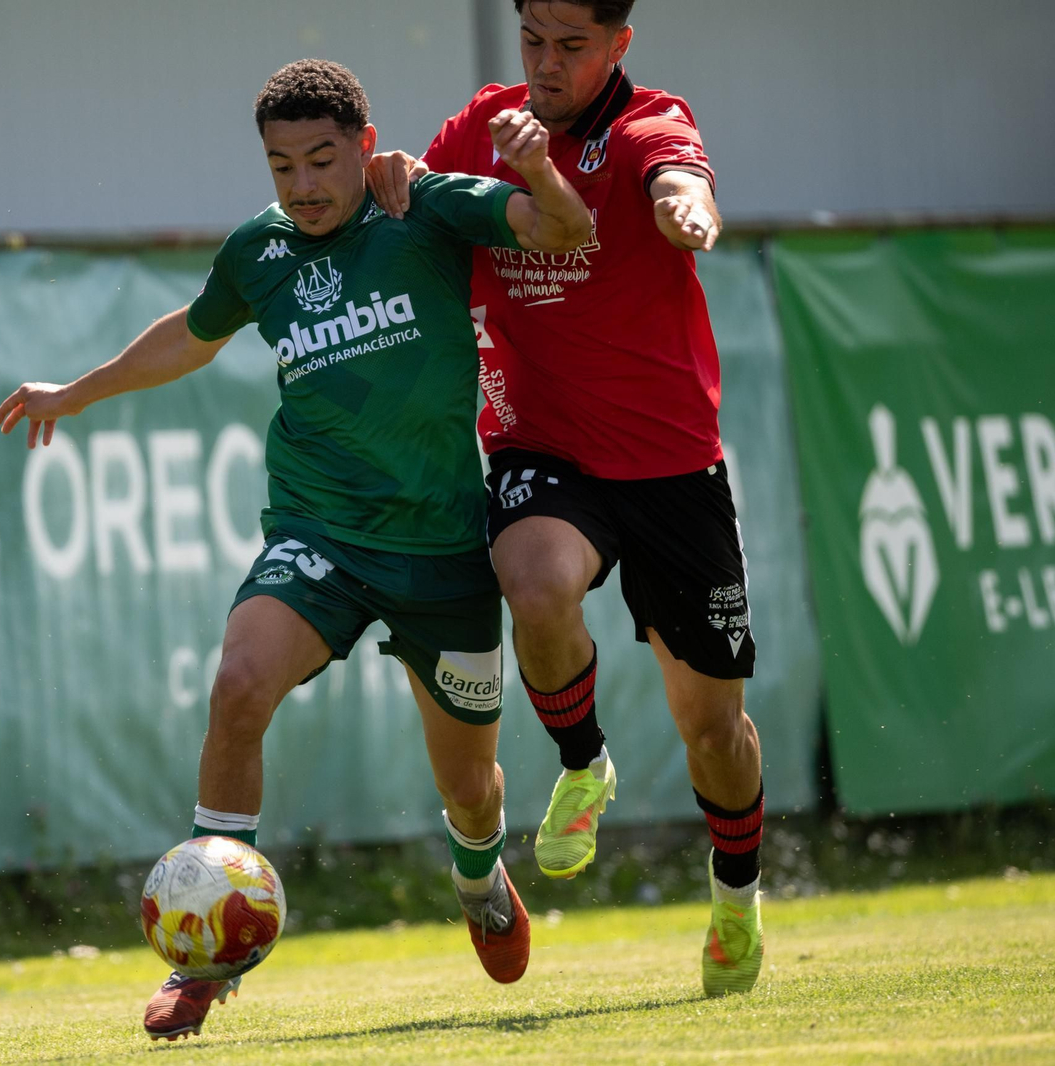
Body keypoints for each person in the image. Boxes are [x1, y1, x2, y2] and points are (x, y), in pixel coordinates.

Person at [0, 59, 591, 1039]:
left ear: (365, 147)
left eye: (322, 160)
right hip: (319, 534)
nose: (303, 185)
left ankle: (478, 875)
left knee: (470, 789)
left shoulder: (426, 209)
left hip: (442, 551)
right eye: (282, 167)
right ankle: (204, 957)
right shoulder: (258, 251)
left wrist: (533, 171)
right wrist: (75, 391)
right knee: (238, 686)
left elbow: (561, 229)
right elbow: (190, 337)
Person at [367, 0, 765, 996]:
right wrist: (392, 177)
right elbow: (420, 200)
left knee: (712, 730)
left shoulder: (649, 125)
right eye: (533, 40)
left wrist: (688, 208)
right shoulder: (485, 123)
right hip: (541, 447)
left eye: (571, 46)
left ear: (619, 45)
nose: (545, 63)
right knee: (532, 582)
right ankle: (584, 763)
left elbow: (680, 179)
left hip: (670, 463)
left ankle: (735, 893)